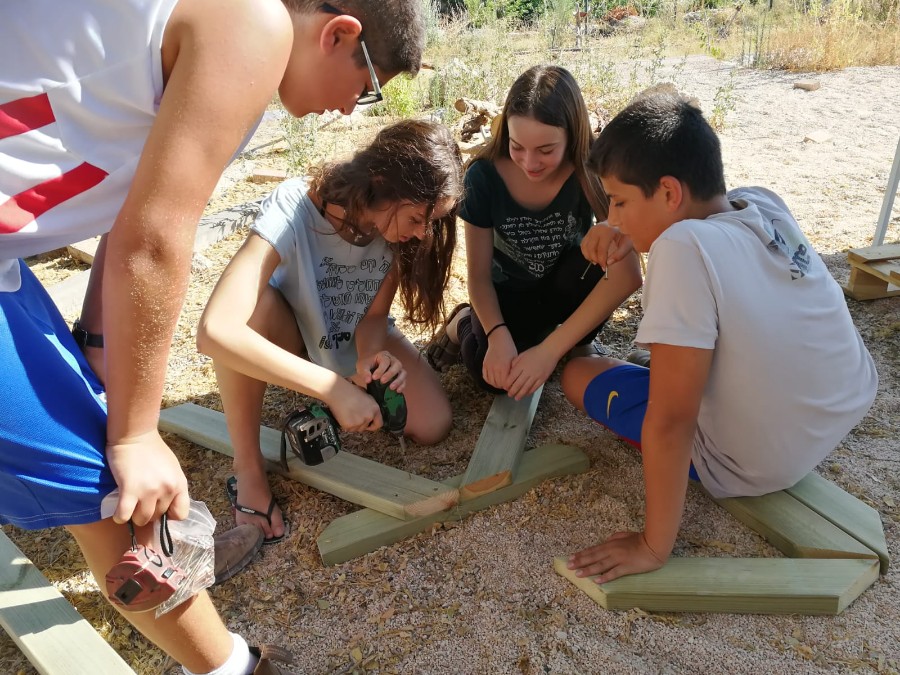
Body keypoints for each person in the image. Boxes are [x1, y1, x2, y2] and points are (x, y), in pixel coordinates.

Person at [1, 1, 425, 673]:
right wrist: (137, 433)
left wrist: (105, 363)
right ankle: (233, 668)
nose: (352, 110)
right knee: (108, 490)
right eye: (367, 84)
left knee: (95, 457)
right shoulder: (254, 25)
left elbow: (130, 209)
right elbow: (156, 238)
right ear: (339, 33)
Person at [561, 91, 878, 584]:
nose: (614, 218)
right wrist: (629, 227)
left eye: (619, 202)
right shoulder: (763, 204)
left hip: (753, 463)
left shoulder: (679, 248)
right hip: (839, 410)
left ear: (668, 192)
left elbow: (671, 421)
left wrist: (652, 546)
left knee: (580, 374)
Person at [197, 119, 462, 542]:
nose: (421, 234)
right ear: (383, 182)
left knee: (433, 424)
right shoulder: (293, 208)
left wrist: (369, 361)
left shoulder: (392, 234)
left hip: (347, 337)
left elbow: (373, 317)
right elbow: (214, 331)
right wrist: (332, 388)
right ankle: (246, 467)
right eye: (417, 217)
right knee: (253, 311)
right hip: (290, 337)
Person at [424, 65, 642, 401]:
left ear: (572, 136)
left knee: (601, 253)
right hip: (508, 298)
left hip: (565, 290)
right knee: (495, 380)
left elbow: (627, 275)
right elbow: (479, 277)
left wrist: (551, 351)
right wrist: (497, 336)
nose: (530, 162)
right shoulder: (483, 177)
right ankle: (464, 322)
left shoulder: (590, 171)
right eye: (517, 146)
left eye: (546, 150)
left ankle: (577, 340)